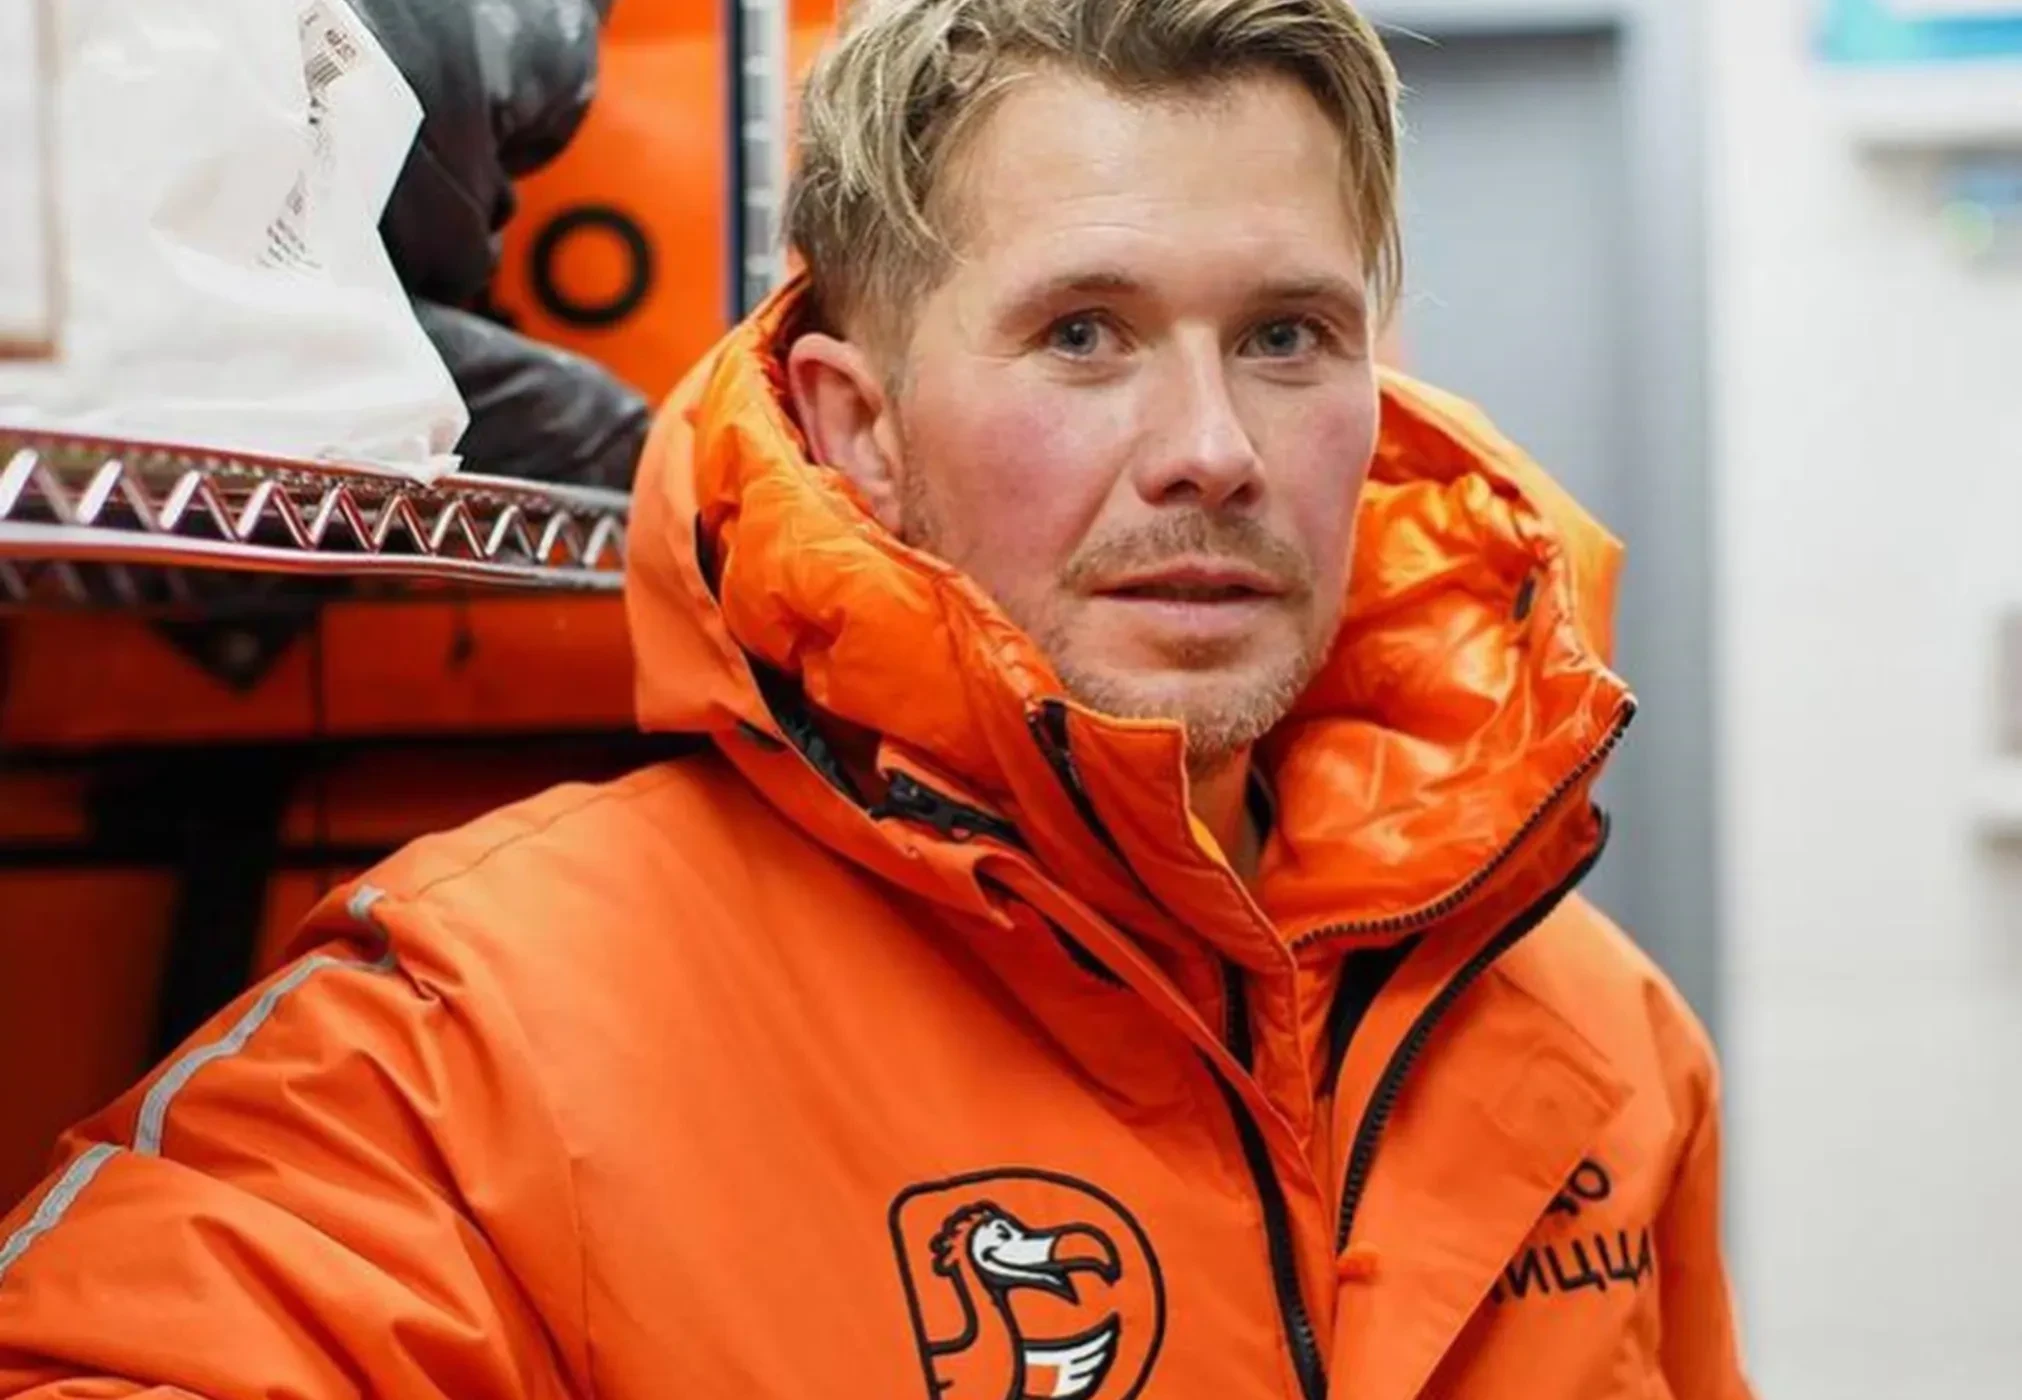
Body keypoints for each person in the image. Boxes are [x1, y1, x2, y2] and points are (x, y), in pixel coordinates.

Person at [0, 1, 1755, 1396]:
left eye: (1284, 337)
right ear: (861, 431)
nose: (1212, 449)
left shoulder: (1593, 1036)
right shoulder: (501, 1028)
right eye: (1083, 334)